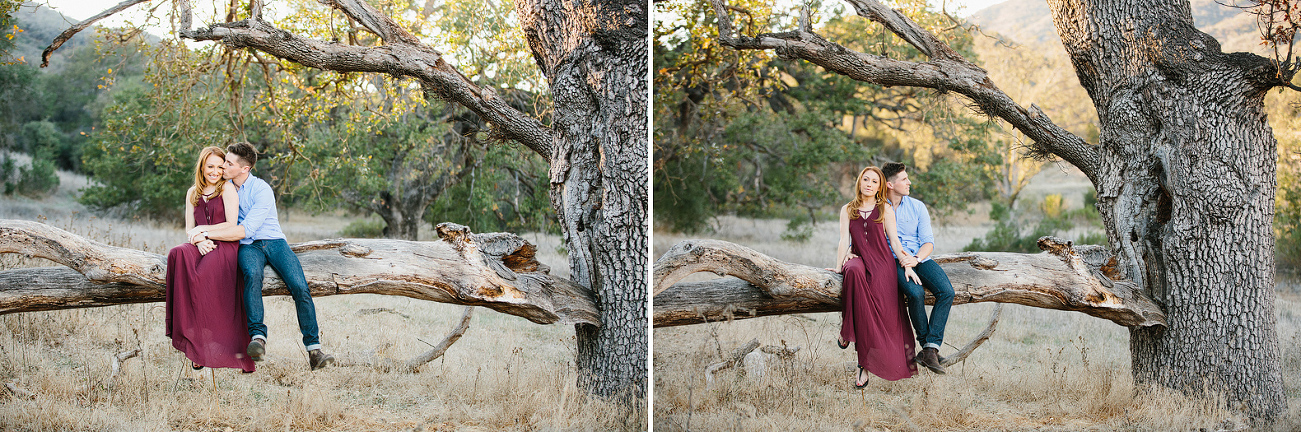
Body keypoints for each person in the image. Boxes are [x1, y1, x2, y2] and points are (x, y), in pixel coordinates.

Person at [203, 142, 335, 370]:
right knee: (252, 275)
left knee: (299, 286)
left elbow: (249, 228)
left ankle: (314, 350)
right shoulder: (224, 187)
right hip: (247, 246)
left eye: (229, 163)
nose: (223, 166)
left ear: (244, 169)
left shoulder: (261, 190)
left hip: (274, 242)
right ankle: (258, 338)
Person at [165, 146, 255, 373]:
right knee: (177, 253)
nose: (215, 171)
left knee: (203, 275)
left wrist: (203, 232)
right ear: (202, 168)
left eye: (219, 166)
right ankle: (194, 342)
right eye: (210, 167)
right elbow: (188, 228)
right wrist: (197, 241)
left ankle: (210, 347)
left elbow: (231, 224)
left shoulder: (226, 188)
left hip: (225, 245)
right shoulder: (192, 192)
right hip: (201, 243)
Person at [830, 165, 920, 388]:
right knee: (851, 270)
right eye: (866, 180)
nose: (869, 184)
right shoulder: (848, 209)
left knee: (876, 315)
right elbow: (844, 240)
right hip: (860, 259)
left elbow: (895, 242)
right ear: (860, 182)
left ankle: (864, 365)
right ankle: (847, 330)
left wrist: (907, 264)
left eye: (874, 182)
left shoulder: (885, 209)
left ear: (880, 187)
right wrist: (839, 265)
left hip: (882, 266)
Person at [881, 162, 955, 374]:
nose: (909, 182)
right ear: (890, 184)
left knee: (947, 291)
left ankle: (930, 348)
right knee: (915, 293)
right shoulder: (878, 208)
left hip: (918, 258)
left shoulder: (917, 206)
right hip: (893, 261)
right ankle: (928, 349)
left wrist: (915, 259)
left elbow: (928, 242)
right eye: (904, 179)